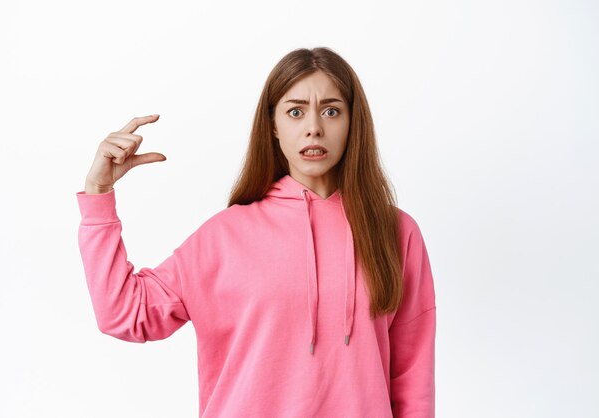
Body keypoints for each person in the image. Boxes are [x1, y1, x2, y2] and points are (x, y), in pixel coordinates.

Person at [76, 46, 436, 418]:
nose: (314, 126)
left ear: (352, 122)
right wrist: (99, 195)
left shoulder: (395, 232)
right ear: (274, 126)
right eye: (295, 112)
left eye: (331, 110)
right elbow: (124, 314)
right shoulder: (226, 236)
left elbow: (413, 378)